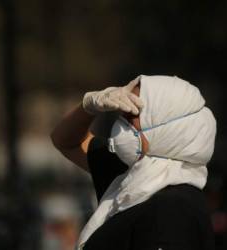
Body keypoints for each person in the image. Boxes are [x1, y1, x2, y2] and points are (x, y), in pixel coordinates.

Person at [50, 75, 216, 250]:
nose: (120, 127)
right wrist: (90, 106)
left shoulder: (173, 208)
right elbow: (65, 141)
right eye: (120, 114)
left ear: (167, 128)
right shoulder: (131, 175)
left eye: (131, 116)